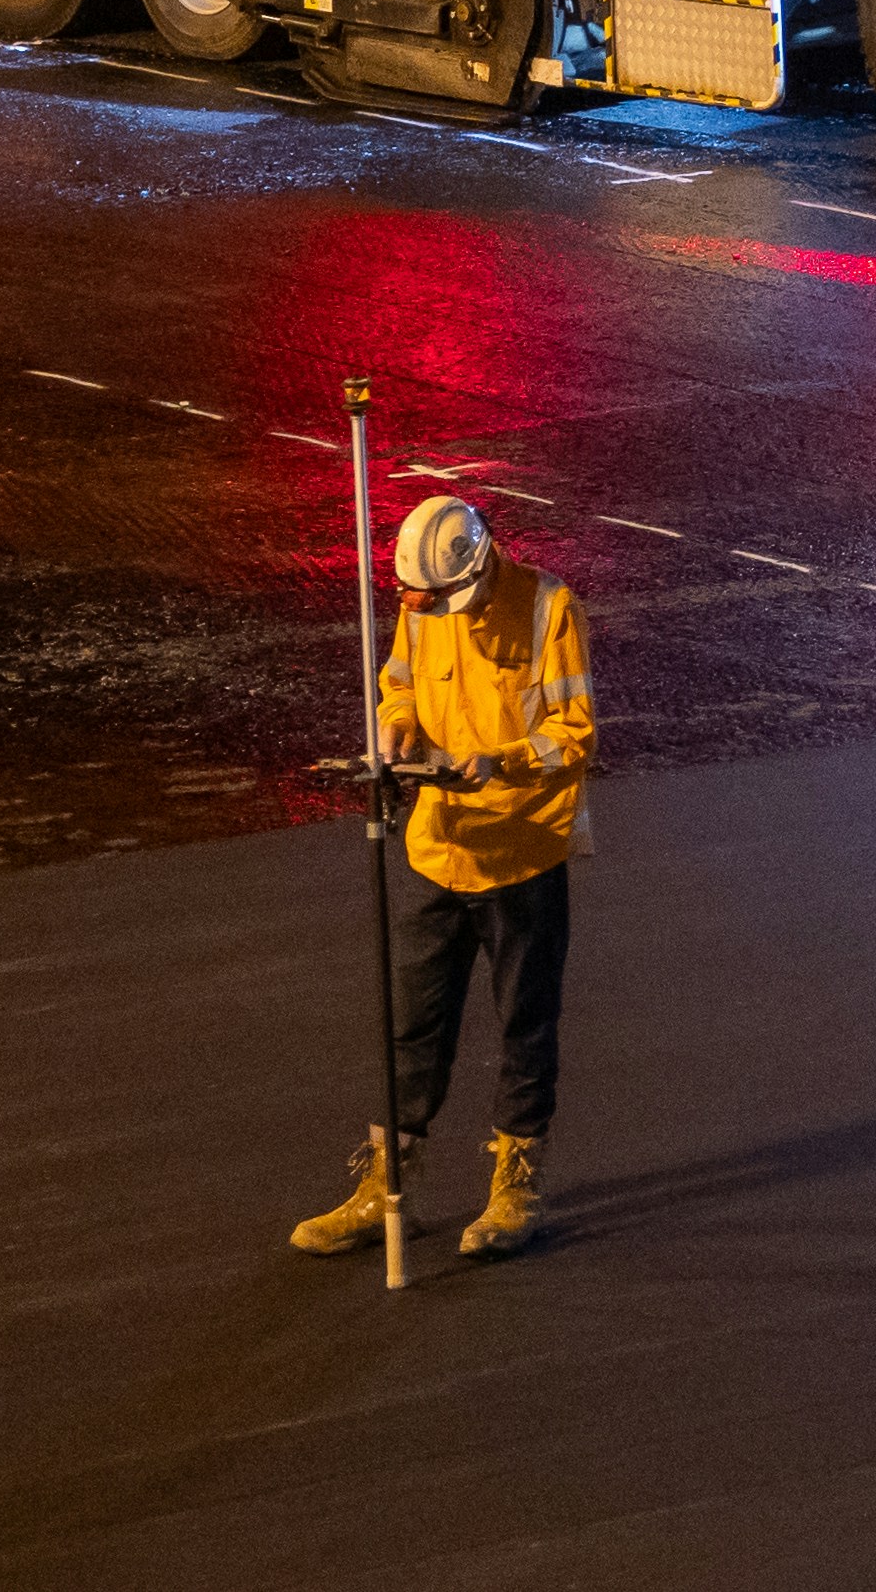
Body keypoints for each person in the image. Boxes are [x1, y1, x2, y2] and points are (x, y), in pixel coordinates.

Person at [291, 494, 595, 1267]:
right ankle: (386, 1186)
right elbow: (398, 683)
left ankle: (515, 1184)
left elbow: (573, 735)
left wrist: (502, 759)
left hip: (521, 853)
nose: (432, 611)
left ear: (482, 561)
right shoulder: (420, 600)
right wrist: (393, 729)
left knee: (524, 1023)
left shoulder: (549, 608)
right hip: (437, 845)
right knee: (412, 1023)